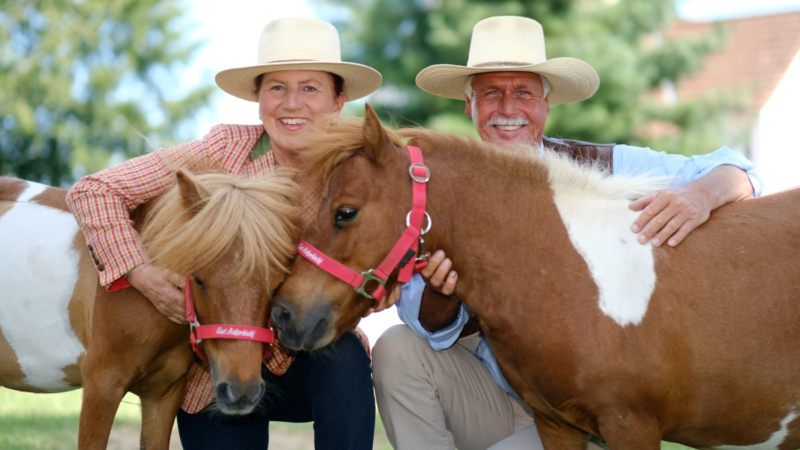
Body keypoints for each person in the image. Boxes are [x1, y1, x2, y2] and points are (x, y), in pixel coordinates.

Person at [371, 16, 762, 450]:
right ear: (470, 106)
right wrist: (441, 295)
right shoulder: (443, 189)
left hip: (584, 411)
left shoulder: (595, 168)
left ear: (545, 105)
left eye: (523, 93)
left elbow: (736, 168)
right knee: (395, 349)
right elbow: (426, 330)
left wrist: (700, 197)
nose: (507, 109)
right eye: (491, 94)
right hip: (492, 396)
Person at [66, 18, 382, 450]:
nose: (292, 103)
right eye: (276, 88)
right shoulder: (222, 151)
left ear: (337, 100)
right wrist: (138, 272)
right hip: (212, 371)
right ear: (258, 99)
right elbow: (94, 190)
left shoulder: (357, 175)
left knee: (344, 360)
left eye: (310, 88)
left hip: (307, 361)